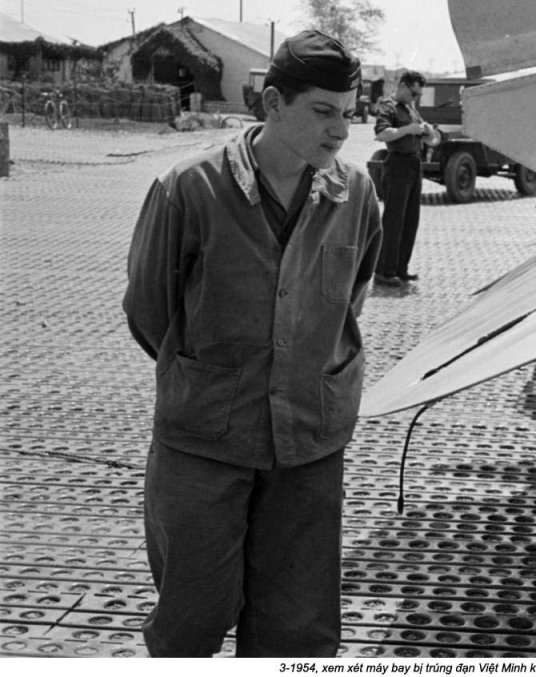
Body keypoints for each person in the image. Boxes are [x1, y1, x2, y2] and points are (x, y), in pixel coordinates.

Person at [122, 29, 381, 657]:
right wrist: (220, 381)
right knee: (191, 619)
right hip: (205, 441)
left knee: (296, 631)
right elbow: (149, 313)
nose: (340, 132)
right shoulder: (189, 189)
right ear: (270, 104)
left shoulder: (357, 195)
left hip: (308, 443)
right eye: (322, 112)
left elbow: (349, 302)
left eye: (347, 115)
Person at [372, 70, 440, 286]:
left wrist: (428, 133)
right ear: (401, 86)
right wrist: (408, 130)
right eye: (412, 93)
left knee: (410, 219)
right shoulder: (388, 106)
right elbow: (382, 133)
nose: (415, 98)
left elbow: (433, 141)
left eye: (418, 94)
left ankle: (401, 268)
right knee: (394, 219)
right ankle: (384, 270)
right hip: (397, 163)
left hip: (413, 164)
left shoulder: (411, 110)